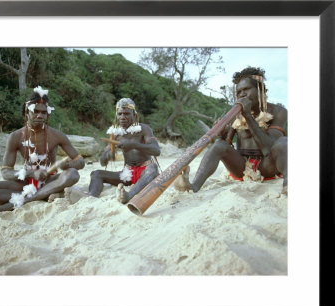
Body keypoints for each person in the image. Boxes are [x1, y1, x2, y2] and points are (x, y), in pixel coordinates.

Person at [174, 67, 288, 195]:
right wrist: (221, 134)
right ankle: (194, 186)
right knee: (218, 145)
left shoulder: (279, 111)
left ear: (261, 90)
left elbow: (269, 148)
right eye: (239, 92)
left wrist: (248, 117)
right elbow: (224, 145)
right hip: (242, 167)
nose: (242, 94)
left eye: (246, 89)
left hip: (267, 166)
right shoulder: (235, 113)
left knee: (284, 142)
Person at [0, 86, 85, 216]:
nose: (40, 115)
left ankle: (19, 202)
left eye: (43, 112)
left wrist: (70, 164)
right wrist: (31, 173)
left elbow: (80, 161)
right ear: (27, 112)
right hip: (23, 185)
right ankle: (48, 194)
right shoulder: (15, 137)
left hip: (51, 181)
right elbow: (6, 172)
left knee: (72, 174)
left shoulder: (57, 135)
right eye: (35, 111)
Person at [66, 98, 161, 204]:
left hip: (145, 171)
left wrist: (134, 145)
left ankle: (129, 195)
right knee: (96, 174)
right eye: (119, 114)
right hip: (127, 173)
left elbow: (156, 151)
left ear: (134, 114)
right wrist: (107, 155)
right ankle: (91, 196)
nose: (122, 117)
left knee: (153, 168)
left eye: (126, 114)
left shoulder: (144, 129)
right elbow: (102, 162)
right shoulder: (116, 133)